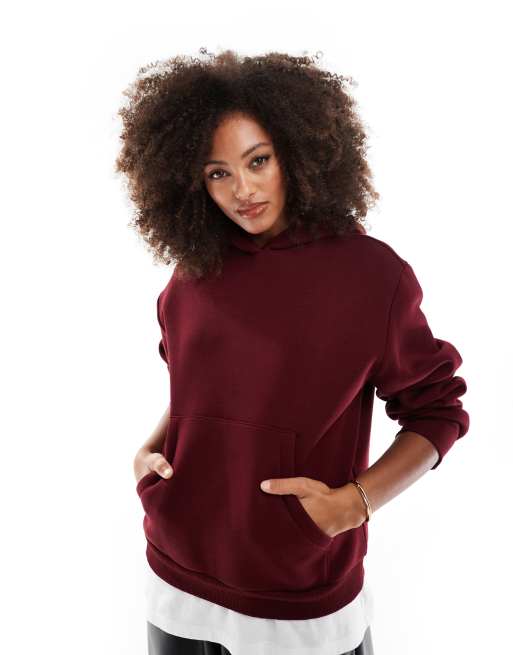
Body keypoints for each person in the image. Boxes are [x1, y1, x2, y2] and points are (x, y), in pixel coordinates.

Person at [115, 49, 469, 655]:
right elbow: (196, 388)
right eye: (217, 173)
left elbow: (438, 411)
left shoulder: (370, 276)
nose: (243, 190)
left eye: (258, 160)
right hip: (176, 574)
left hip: (296, 596)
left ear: (296, 153)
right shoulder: (193, 273)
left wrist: (354, 505)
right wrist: (150, 449)